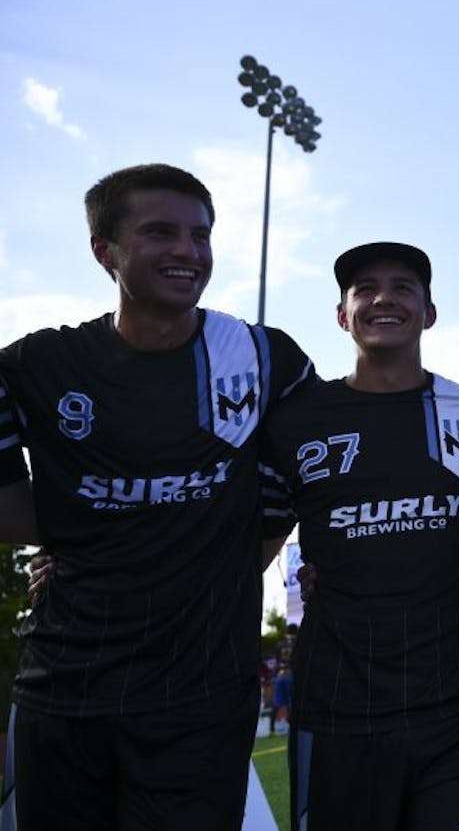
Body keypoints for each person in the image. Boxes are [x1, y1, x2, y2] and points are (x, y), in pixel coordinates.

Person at [0, 164, 314, 830]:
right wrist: (74, 533)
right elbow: (8, 510)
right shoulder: (39, 365)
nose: (187, 250)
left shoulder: (264, 359)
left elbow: (334, 458)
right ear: (104, 250)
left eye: (199, 234)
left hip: (198, 702)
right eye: (160, 232)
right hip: (65, 693)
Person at [261, 241, 459, 831]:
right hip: (339, 713)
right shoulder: (295, 421)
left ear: (429, 312)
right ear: (341, 314)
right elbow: (247, 552)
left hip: (457, 711)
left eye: (403, 286)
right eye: (365, 289)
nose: (384, 298)